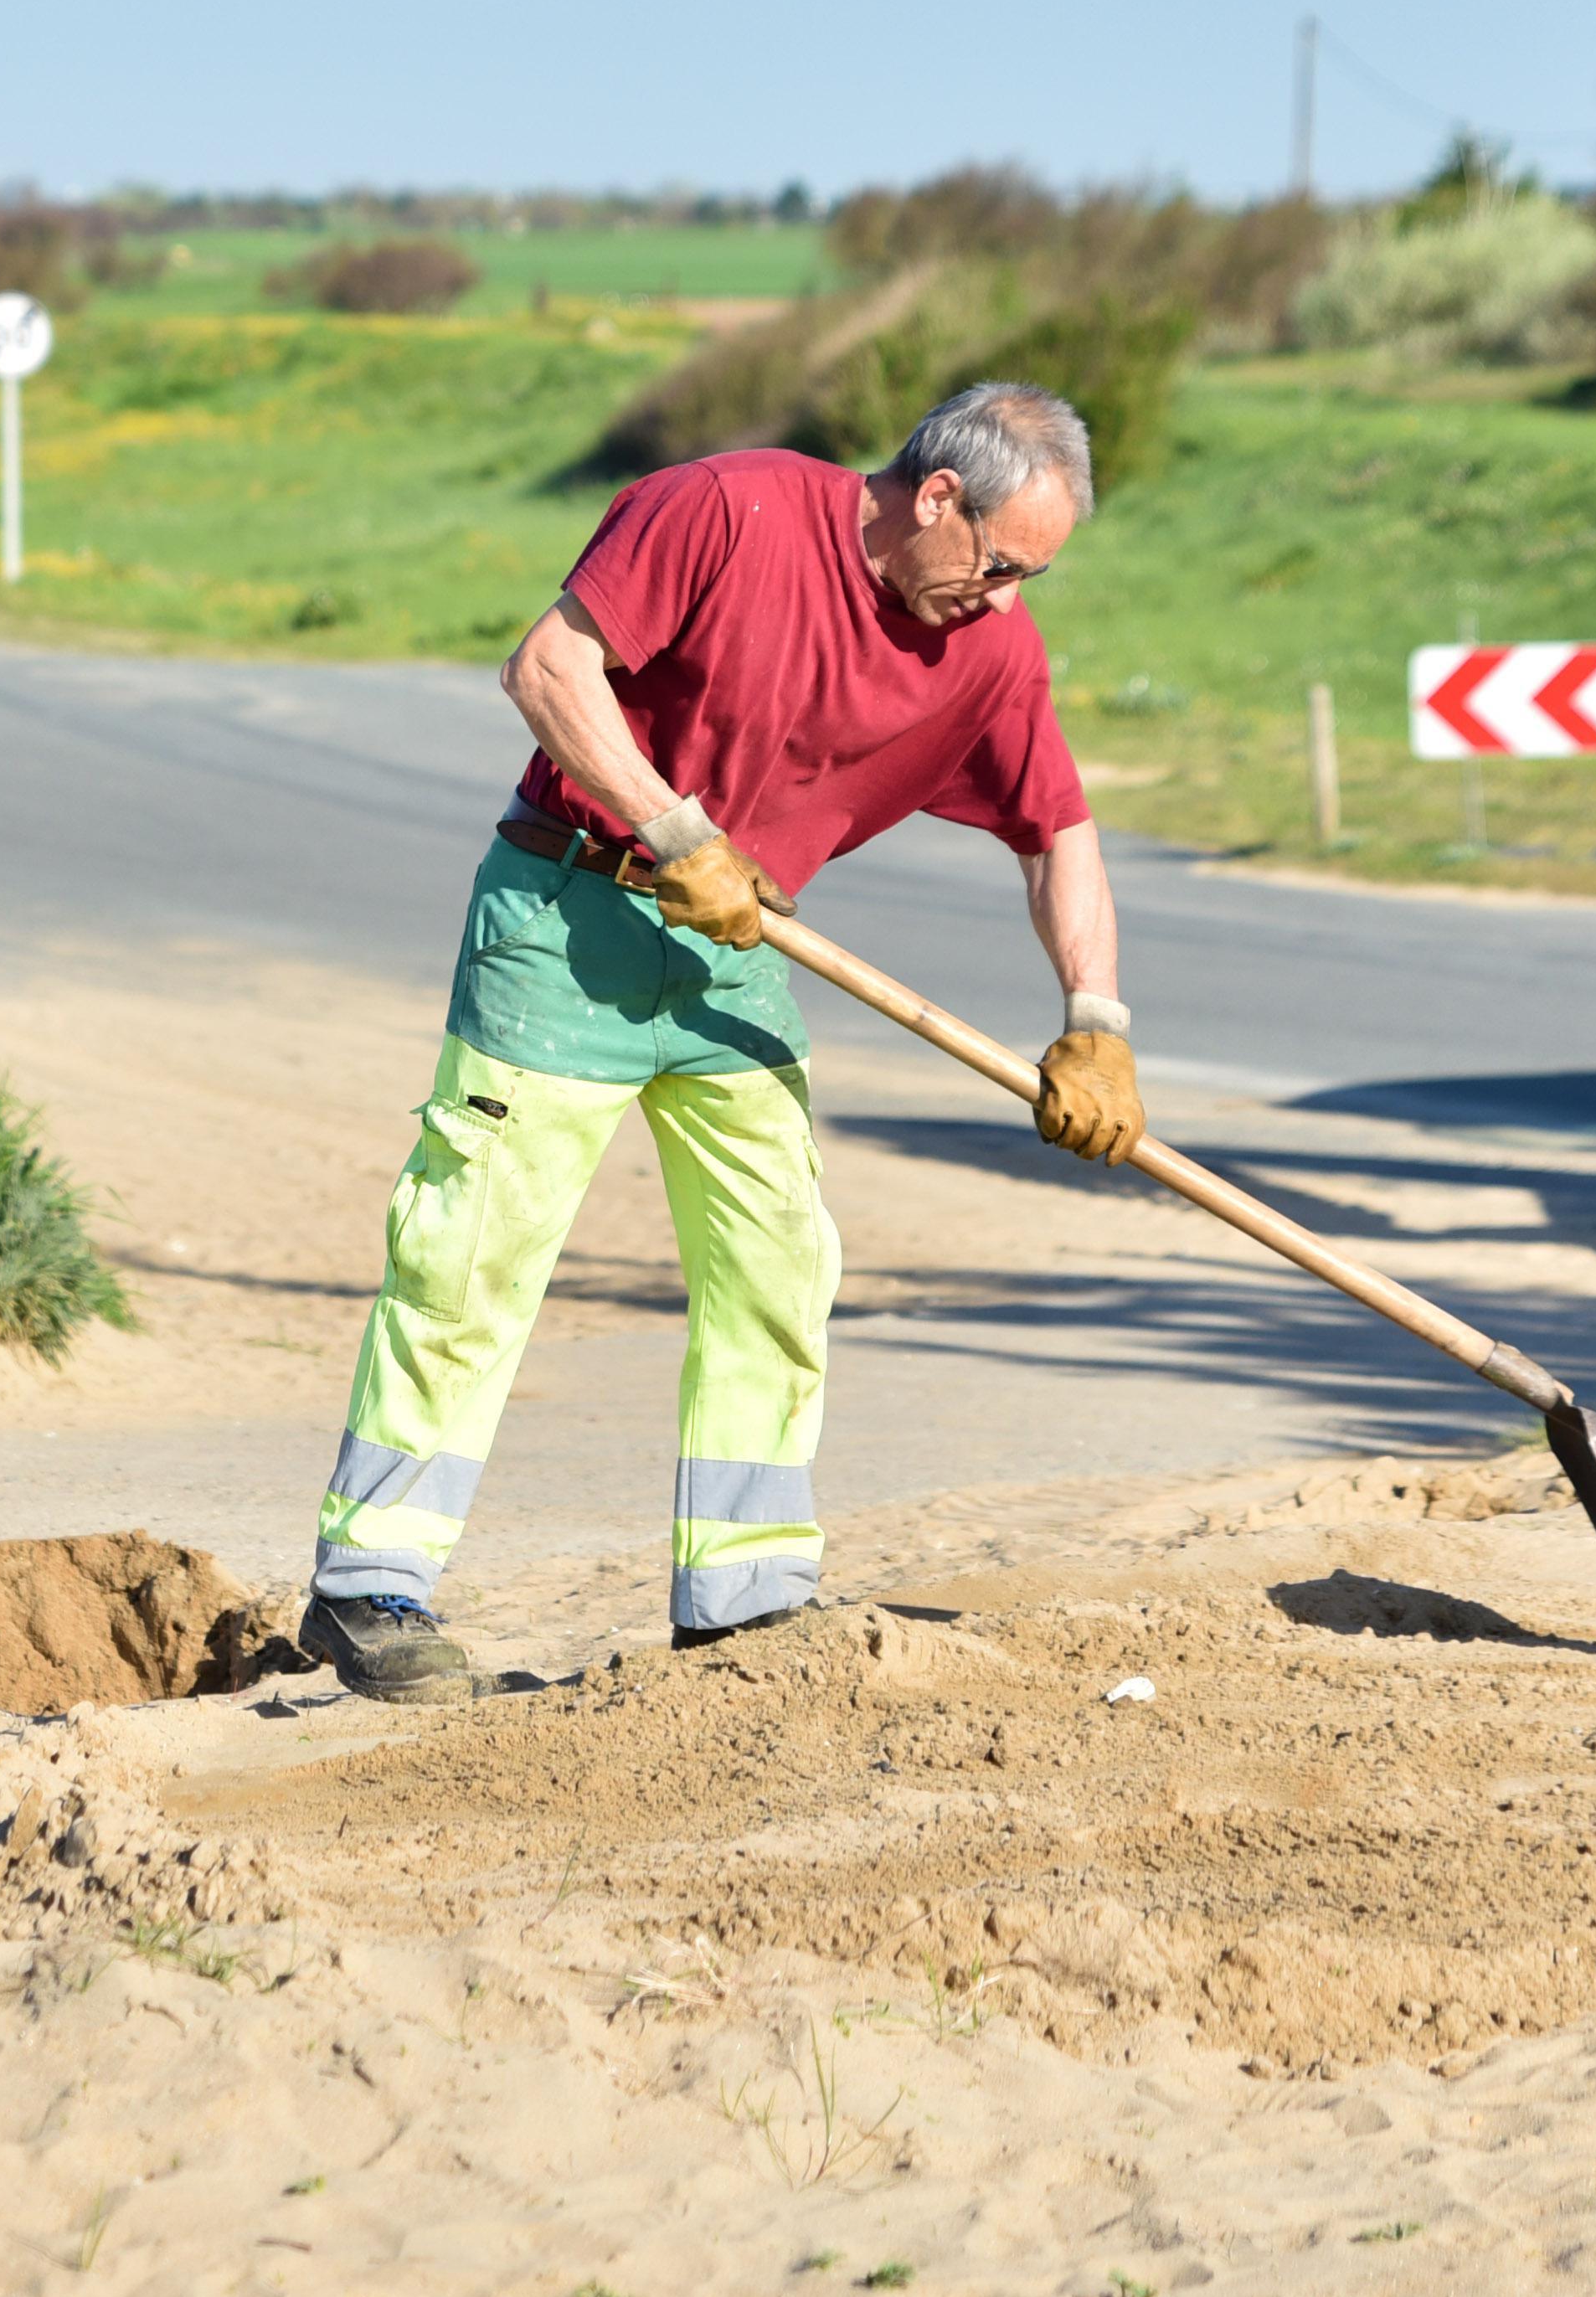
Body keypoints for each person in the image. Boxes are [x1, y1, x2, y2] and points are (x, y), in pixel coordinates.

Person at [296, 381, 1143, 1704]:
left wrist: (1093, 1018)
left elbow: (1059, 828)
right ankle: (368, 1585)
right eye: (997, 565)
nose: (1003, 600)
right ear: (934, 498)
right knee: (473, 1252)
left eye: (1031, 577)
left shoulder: (991, 645)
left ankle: (744, 1599)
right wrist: (676, 829)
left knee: (776, 1259)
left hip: (739, 947)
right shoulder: (725, 509)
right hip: (568, 902)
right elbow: (547, 668)